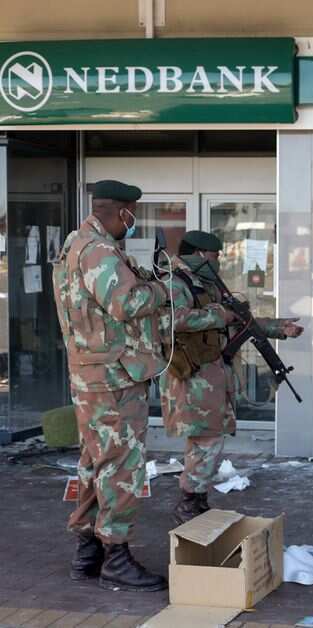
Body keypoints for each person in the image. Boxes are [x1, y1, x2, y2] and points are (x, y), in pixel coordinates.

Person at [52, 180, 170, 592]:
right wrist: (160, 289)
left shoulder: (73, 246)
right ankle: (115, 556)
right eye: (131, 214)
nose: (132, 222)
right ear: (122, 212)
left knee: (95, 463)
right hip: (113, 379)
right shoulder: (98, 251)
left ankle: (88, 552)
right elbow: (128, 303)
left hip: (93, 375)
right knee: (122, 465)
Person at [159, 230, 303, 524]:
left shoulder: (207, 284)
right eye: (215, 256)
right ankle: (189, 504)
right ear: (199, 255)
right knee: (206, 442)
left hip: (211, 375)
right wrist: (218, 315)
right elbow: (171, 320)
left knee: (207, 442)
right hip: (192, 376)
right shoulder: (175, 282)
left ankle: (196, 501)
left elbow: (239, 322)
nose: (219, 262)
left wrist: (277, 327)